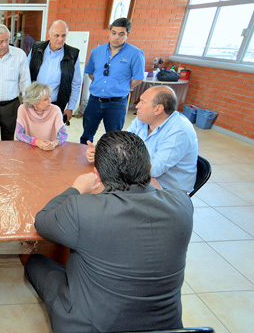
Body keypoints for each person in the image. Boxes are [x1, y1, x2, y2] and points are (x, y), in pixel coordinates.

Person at [25, 130, 193, 333]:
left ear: (98, 174)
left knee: (34, 261)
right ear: (149, 169)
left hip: (91, 326)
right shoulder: (183, 204)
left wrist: (75, 189)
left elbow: (42, 221)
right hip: (168, 327)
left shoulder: (82, 208)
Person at [86, 86, 198, 192]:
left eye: (142, 102)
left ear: (158, 109)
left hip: (166, 191)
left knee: (105, 196)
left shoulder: (179, 132)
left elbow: (153, 170)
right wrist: (101, 153)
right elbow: (122, 144)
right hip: (139, 180)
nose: (137, 106)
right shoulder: (143, 120)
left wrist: (111, 160)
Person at [80, 17, 145, 144]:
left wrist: (122, 86)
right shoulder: (96, 51)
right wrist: (100, 82)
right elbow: (91, 73)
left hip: (116, 103)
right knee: (86, 135)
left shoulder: (135, 53)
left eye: (121, 34)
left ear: (127, 35)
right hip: (94, 101)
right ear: (109, 32)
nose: (116, 37)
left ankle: (110, 163)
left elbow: (138, 79)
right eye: (114, 33)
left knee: (114, 138)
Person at [28, 20, 82, 122]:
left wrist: (70, 107)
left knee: (52, 134)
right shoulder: (36, 48)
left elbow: (76, 83)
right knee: (33, 134)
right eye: (56, 35)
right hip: (34, 103)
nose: (60, 39)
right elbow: (26, 75)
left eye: (63, 36)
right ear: (49, 35)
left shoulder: (72, 55)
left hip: (56, 105)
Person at [16, 82, 67, 150]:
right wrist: (36, 142)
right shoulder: (23, 109)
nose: (50, 101)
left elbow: (63, 134)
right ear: (34, 102)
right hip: (29, 149)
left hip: (49, 149)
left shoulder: (55, 110)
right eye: (46, 99)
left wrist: (54, 143)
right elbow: (19, 134)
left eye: (49, 97)